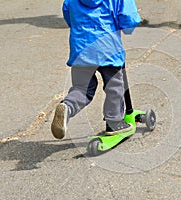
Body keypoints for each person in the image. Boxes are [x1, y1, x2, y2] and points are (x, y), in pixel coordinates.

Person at [51, 0, 141, 139]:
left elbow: (68, 14)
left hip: (81, 50)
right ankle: (114, 122)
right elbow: (128, 20)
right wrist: (126, 27)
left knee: (82, 89)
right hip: (107, 49)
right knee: (114, 87)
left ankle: (67, 107)